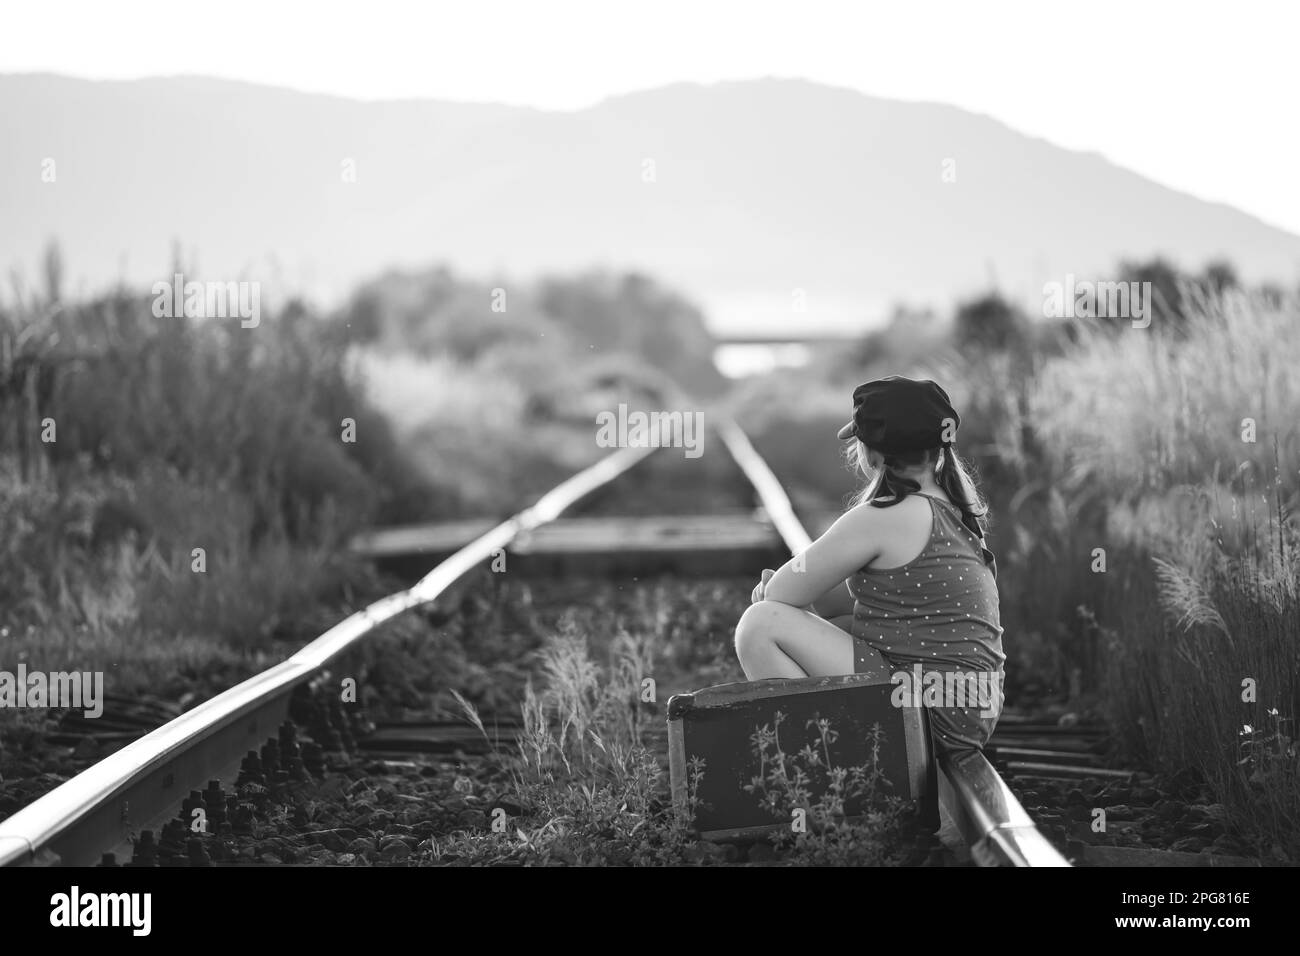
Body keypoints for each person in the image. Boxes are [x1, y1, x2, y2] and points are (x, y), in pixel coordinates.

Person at [733, 375, 1005, 752]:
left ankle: (824, 762)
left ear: (873, 453)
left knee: (759, 625)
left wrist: (777, 598)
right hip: (968, 710)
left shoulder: (883, 514)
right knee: (843, 622)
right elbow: (870, 606)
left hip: (927, 708)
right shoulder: (954, 508)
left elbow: (779, 592)